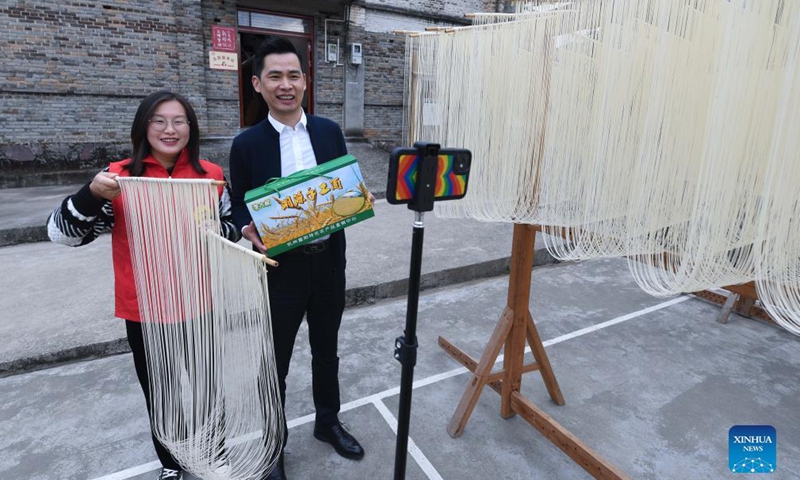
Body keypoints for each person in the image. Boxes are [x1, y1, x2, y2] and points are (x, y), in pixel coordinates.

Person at [47, 90, 240, 480]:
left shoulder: (210, 175)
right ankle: (171, 463)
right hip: (144, 310)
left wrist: (217, 229)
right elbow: (62, 235)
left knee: (207, 389)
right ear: (143, 127)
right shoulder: (118, 178)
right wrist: (90, 195)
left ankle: (214, 455)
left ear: (191, 128)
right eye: (159, 121)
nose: (170, 129)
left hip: (199, 303)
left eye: (179, 121)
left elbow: (231, 229)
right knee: (162, 394)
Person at [229, 37, 366, 480]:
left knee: (327, 351)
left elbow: (343, 187)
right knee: (275, 363)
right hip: (278, 270)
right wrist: (248, 227)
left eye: (293, 75)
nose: (285, 85)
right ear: (257, 84)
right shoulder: (247, 143)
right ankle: (273, 445)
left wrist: (355, 197)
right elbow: (239, 204)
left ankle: (328, 422)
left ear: (305, 81)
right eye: (275, 76)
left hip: (328, 262)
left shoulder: (328, 131)